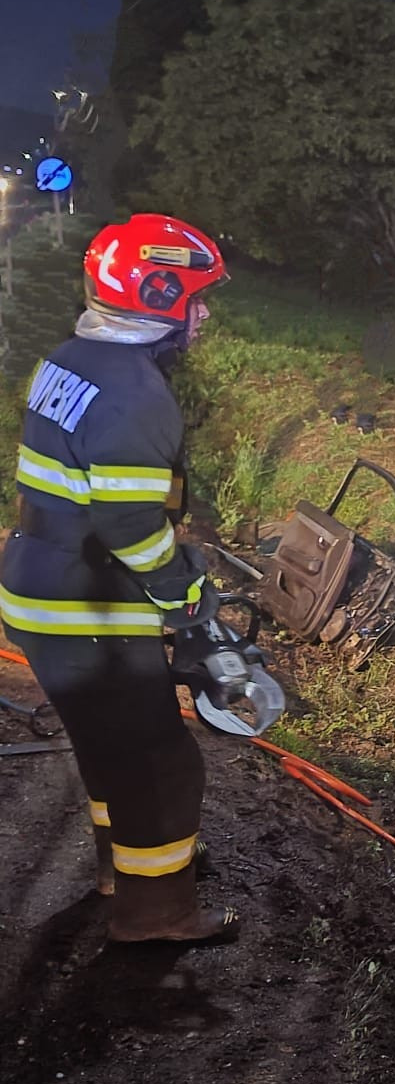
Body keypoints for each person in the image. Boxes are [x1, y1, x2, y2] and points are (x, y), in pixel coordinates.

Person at [0, 213, 237, 942]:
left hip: (36, 587)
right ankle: (157, 914)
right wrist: (188, 595)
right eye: (195, 299)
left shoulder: (68, 358)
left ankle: (122, 872)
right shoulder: (136, 394)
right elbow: (131, 527)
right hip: (87, 606)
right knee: (161, 761)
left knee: (107, 744)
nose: (202, 315)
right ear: (156, 292)